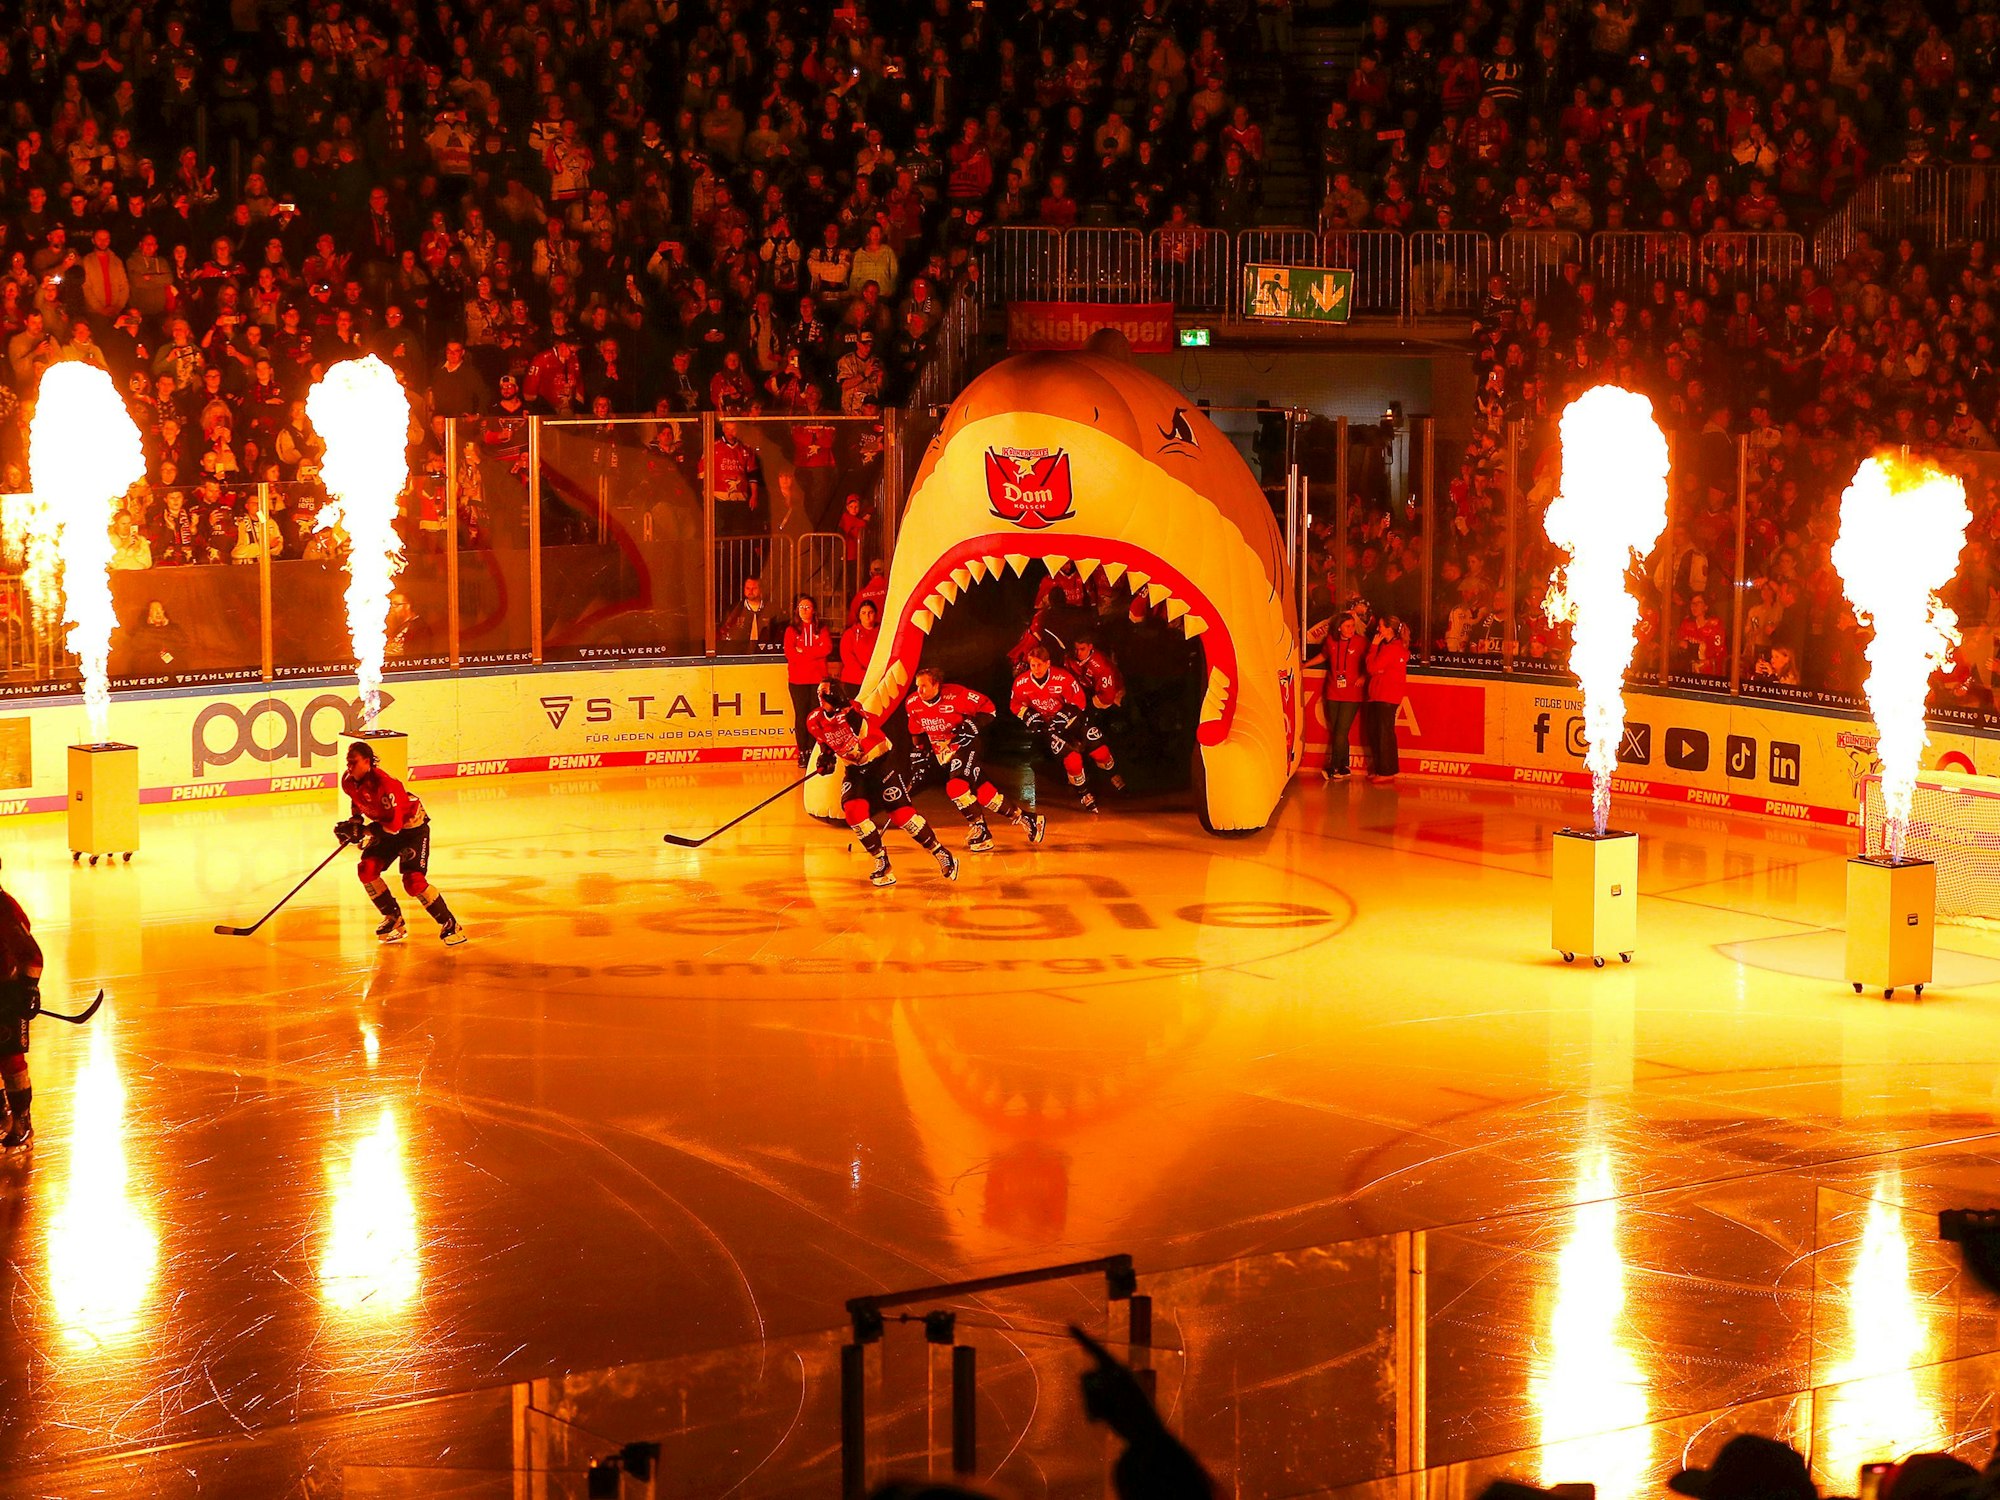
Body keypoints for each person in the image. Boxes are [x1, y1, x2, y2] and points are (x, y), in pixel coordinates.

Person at [808, 681, 958, 889]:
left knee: (902, 816)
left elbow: (860, 726)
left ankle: (940, 852)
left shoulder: (854, 708)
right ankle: (882, 861)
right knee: (853, 812)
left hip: (880, 764)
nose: (820, 696)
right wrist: (825, 759)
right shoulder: (814, 719)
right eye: (819, 692)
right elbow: (826, 745)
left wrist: (843, 706)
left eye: (825, 692)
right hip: (854, 770)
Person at [335, 740, 467, 945]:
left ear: (367, 762)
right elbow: (356, 798)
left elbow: (394, 827)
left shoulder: (386, 785)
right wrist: (355, 822)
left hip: (411, 829)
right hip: (387, 826)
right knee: (366, 869)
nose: (349, 767)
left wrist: (364, 831)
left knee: (413, 882)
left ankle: (449, 922)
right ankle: (393, 918)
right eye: (348, 762)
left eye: (354, 762)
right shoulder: (348, 780)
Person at [905, 665, 1046, 850]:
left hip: (965, 745)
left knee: (956, 787)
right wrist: (919, 752)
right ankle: (1026, 818)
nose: (919, 690)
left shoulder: (957, 694)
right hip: (944, 752)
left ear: (936, 685)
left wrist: (972, 725)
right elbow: (917, 730)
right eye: (917, 686)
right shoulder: (912, 702)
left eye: (923, 686)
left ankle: (980, 829)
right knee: (985, 793)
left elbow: (989, 709)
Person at [1011, 642, 1124, 812]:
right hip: (1052, 730)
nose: (1036, 669)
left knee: (1101, 753)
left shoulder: (1062, 677)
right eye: (1033, 665)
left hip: (1074, 722)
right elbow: (1015, 705)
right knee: (1073, 762)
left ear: (1048, 663)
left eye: (1040, 664)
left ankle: (1113, 775)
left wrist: (1063, 717)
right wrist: (1030, 716)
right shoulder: (1021, 683)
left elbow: (1079, 701)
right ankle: (1083, 793)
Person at [0, 873, 43, 1150]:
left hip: (6, 995)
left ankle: (22, 1121)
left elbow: (32, 954)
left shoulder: (3, 908)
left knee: (10, 1060)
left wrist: (27, 989)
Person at [782, 593, 834, 765]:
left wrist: (803, 651)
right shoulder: (791, 630)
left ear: (814, 610)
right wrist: (813, 652)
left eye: (808, 607)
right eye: (801, 607)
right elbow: (790, 654)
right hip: (798, 680)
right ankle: (803, 751)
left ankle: (815, 750)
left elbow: (826, 648)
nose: (804, 610)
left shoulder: (822, 629)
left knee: (816, 716)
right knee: (801, 716)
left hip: (818, 679)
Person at [1318, 615, 1367, 779]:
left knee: (1341, 730)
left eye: (1353, 626)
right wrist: (1305, 664)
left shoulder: (1360, 642)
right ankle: (1344, 765)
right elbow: (1324, 656)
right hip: (1333, 691)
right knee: (1338, 731)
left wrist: (1364, 676)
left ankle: (1334, 767)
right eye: (1347, 626)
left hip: (1352, 693)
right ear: (1339, 627)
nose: (1351, 629)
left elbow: (1371, 661)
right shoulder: (1331, 641)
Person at [1363, 616, 1409, 783]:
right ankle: (1382, 768)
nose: (1378, 629)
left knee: (1383, 733)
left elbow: (1372, 668)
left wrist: (1373, 647)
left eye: (1381, 626)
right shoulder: (1390, 646)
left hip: (1386, 695)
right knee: (1377, 732)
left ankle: (1387, 770)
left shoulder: (1392, 648)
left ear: (1390, 629)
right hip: (1380, 694)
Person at [839, 599, 880, 690]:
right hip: (854, 680)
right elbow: (847, 657)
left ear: (876, 614)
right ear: (859, 615)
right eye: (864, 613)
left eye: (870, 612)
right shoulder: (850, 633)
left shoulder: (882, 632)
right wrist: (864, 674)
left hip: (877, 680)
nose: (867, 616)